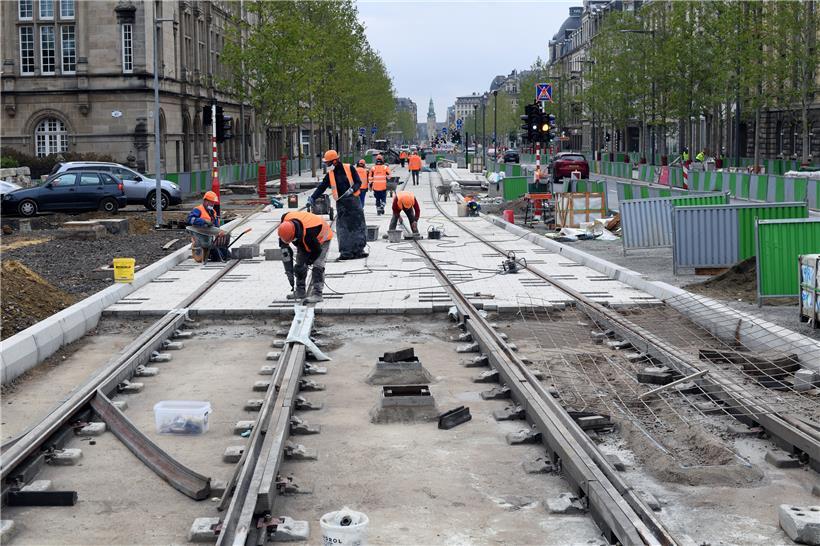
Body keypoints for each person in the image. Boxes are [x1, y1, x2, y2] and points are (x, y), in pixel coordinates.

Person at [310, 149, 368, 260]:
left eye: (328, 162)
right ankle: (346, 252)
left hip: (354, 202)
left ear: (335, 161)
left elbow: (358, 182)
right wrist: (313, 197)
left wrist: (352, 189)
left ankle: (358, 250)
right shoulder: (330, 174)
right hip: (342, 204)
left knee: (358, 226)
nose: (326, 164)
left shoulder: (349, 168)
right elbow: (322, 187)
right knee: (343, 228)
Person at [278, 211, 333, 303]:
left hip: (322, 237)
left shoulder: (309, 233)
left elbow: (317, 251)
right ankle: (300, 291)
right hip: (305, 235)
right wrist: (289, 270)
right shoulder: (285, 222)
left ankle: (317, 294)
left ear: (295, 235)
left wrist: (308, 261)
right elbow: (285, 250)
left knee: (317, 265)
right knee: (299, 264)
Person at [187, 190, 228, 261]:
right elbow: (190, 219)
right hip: (200, 236)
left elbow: (216, 226)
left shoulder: (213, 212)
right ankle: (206, 254)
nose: (213, 204)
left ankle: (209, 254)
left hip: (209, 238)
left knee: (226, 255)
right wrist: (204, 221)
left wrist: (219, 232)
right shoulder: (198, 210)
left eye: (214, 202)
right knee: (218, 257)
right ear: (206, 201)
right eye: (211, 202)